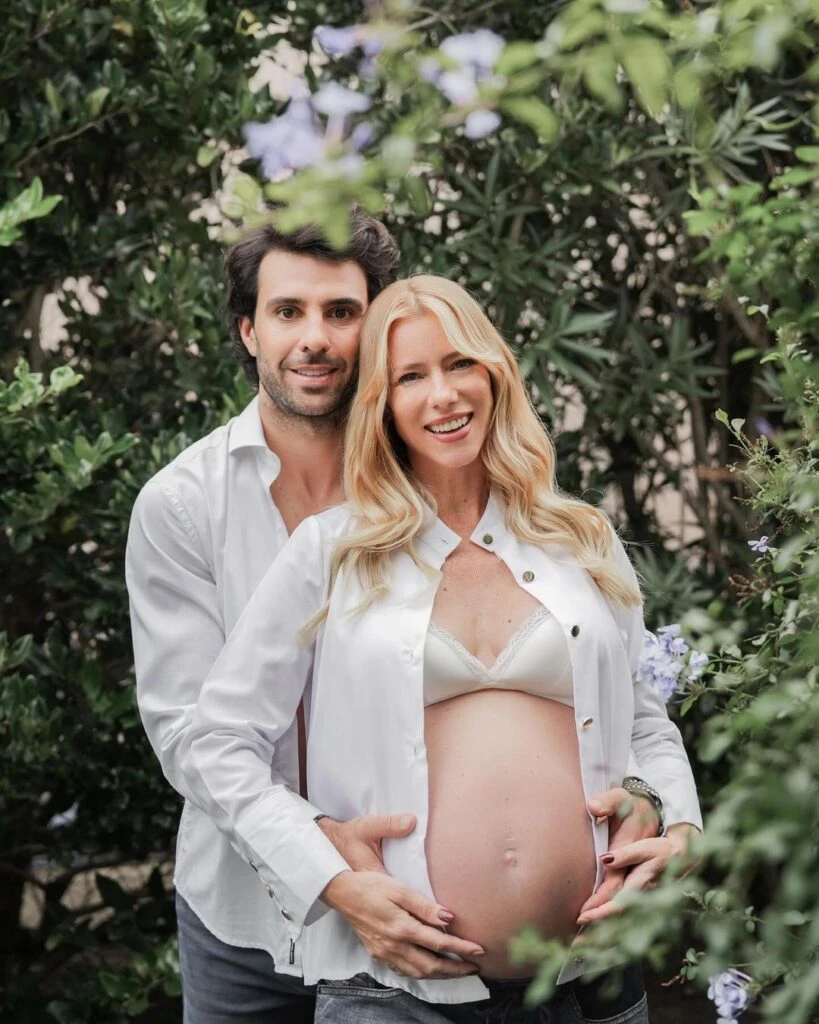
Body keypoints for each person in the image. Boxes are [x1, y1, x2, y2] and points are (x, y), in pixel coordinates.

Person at [187, 275, 702, 1024]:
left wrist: (678, 827)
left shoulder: (580, 539)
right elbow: (218, 742)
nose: (443, 395)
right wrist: (329, 878)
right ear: (380, 403)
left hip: (593, 977)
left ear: (495, 374)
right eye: (410, 377)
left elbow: (646, 722)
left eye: (460, 363)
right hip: (394, 993)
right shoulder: (330, 552)